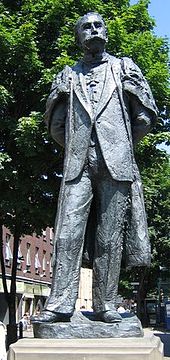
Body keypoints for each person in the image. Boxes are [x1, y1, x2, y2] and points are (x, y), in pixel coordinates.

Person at [31, 12, 157, 324]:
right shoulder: (67, 74)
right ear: (78, 37)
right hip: (78, 165)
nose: (93, 30)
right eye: (85, 27)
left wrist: (121, 144)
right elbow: (55, 124)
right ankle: (59, 305)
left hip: (116, 163)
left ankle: (106, 305)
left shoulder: (124, 67)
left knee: (109, 237)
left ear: (107, 33)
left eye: (98, 25)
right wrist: (78, 145)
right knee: (67, 234)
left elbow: (145, 116)